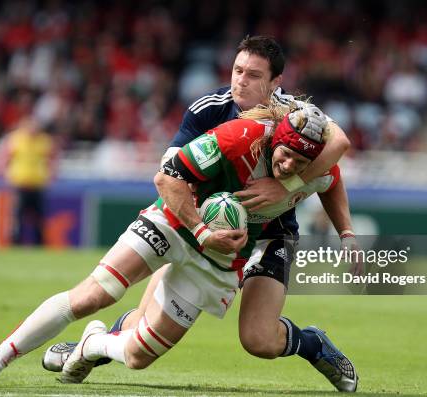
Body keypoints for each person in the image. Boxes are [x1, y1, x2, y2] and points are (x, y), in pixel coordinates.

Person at [0, 105, 350, 389]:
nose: (288, 166)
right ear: (275, 140)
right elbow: (168, 178)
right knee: (94, 294)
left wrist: (346, 235)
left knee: (140, 357)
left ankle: (94, 343)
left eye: (300, 162)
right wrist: (200, 229)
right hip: (176, 221)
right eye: (285, 156)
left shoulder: (310, 169)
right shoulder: (238, 136)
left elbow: (331, 181)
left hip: (219, 261)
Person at [45, 35, 360, 391]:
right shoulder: (209, 108)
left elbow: (333, 161)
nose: (241, 80)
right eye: (238, 70)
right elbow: (171, 169)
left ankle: (313, 343)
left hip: (271, 236)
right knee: (142, 328)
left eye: (254, 75)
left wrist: (298, 196)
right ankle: (88, 349)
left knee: (258, 340)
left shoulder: (298, 120)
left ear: (276, 84)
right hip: (204, 229)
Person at [0, 118, 57, 246]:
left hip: (38, 185)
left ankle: (40, 243)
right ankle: (15, 243)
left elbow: (52, 160)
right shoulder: (15, 140)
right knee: (17, 217)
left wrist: (51, 176)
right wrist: (5, 176)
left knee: (40, 217)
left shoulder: (45, 141)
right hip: (20, 185)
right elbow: (2, 159)